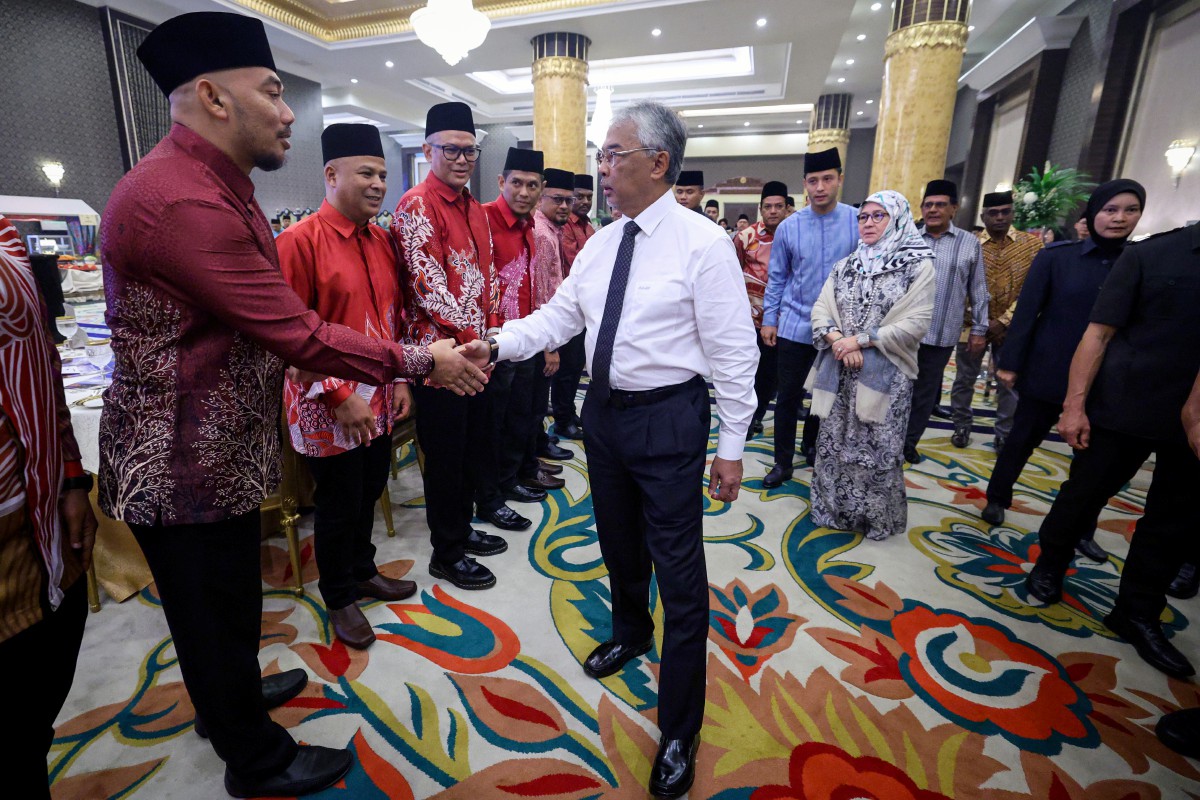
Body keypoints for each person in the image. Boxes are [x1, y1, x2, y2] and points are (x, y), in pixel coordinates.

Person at [101, 14, 487, 799]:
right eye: (274, 92)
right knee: (212, 615)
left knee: (234, 606)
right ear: (212, 96)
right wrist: (424, 360)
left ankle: (227, 700)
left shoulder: (216, 186)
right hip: (179, 462)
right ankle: (257, 762)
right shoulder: (178, 202)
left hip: (225, 451)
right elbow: (299, 331)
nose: (287, 111)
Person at [466, 101, 757, 799]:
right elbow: (561, 315)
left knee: (680, 577)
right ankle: (630, 629)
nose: (602, 166)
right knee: (618, 542)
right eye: (601, 153)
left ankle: (680, 727)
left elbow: (733, 353)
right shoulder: (600, 242)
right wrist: (499, 342)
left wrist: (734, 445)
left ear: (658, 162)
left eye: (614, 153)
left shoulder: (702, 243)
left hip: (669, 420)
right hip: (604, 416)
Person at [1024, 221, 1200, 681]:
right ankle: (1050, 565)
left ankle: (1138, 611)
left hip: (1194, 423)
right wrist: (1074, 405)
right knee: (1083, 494)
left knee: (1172, 522)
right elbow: (1097, 334)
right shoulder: (1155, 254)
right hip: (1123, 406)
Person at [277, 123, 420, 650]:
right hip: (326, 405)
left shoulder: (380, 239)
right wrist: (339, 395)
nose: (379, 183)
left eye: (383, 174)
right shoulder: (299, 242)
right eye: (367, 173)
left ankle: (363, 570)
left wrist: (401, 377)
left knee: (371, 489)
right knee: (338, 504)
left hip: (379, 399)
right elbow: (290, 337)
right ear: (331, 174)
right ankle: (338, 595)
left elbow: (395, 318)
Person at [983, 180, 1146, 561]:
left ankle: (1083, 528)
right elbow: (1027, 312)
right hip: (1050, 370)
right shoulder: (1058, 257)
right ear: (1093, 214)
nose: (1119, 218)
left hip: (1107, 381)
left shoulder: (1142, 261)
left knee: (1094, 465)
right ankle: (997, 496)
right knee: (1022, 439)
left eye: (1130, 210)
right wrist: (1010, 363)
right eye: (1110, 210)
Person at [0, 214, 96, 800]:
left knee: (38, 686)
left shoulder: (6, 235)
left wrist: (71, 476)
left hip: (41, 513)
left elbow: (44, 361)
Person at [395, 101, 505, 591]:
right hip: (439, 358)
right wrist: (471, 340)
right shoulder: (416, 204)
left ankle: (461, 531)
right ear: (427, 150)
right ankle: (447, 552)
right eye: (451, 150)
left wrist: (492, 336)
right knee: (444, 457)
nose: (462, 159)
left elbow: (488, 279)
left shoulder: (475, 210)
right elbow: (427, 285)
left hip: (476, 354)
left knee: (470, 450)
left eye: (470, 151)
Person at [809, 191, 934, 539]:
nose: (868, 223)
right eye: (863, 217)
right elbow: (821, 308)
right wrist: (837, 339)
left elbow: (917, 322)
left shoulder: (917, 265)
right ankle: (833, 511)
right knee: (835, 443)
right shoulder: (847, 265)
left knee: (877, 446)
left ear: (897, 219)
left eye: (878, 216)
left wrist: (861, 340)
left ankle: (873, 517)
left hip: (888, 375)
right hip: (840, 369)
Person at [760, 147, 859, 487]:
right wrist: (769, 319)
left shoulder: (855, 222)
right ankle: (782, 462)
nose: (820, 187)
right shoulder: (790, 227)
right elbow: (778, 278)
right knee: (787, 397)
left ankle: (813, 447)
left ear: (839, 180)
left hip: (838, 329)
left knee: (826, 394)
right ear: (804, 184)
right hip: (794, 325)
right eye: (813, 181)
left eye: (827, 179)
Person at [476, 147, 558, 536]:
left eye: (532, 185)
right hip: (493, 342)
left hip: (523, 338)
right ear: (501, 182)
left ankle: (507, 483)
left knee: (519, 418)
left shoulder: (531, 228)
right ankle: (489, 498)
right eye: (516, 183)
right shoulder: (483, 220)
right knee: (491, 426)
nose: (523, 192)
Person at [902, 180, 987, 464]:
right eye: (928, 205)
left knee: (925, 393)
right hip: (904, 333)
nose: (933, 210)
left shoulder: (969, 243)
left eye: (940, 205)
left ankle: (909, 442)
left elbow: (978, 289)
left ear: (954, 208)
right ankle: (889, 439)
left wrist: (979, 329)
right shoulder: (908, 238)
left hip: (941, 333)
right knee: (897, 390)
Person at [949, 191, 1042, 450]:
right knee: (964, 378)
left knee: (1008, 382)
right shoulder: (969, 243)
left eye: (1005, 212)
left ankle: (1003, 433)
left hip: (1013, 328)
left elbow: (1033, 290)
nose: (1000, 217)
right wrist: (982, 323)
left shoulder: (1031, 246)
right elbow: (960, 287)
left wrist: (1003, 321)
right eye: (993, 212)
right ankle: (961, 426)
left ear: (1013, 213)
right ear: (983, 216)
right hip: (970, 326)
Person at [736, 180, 788, 438]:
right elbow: (733, 272)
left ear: (787, 208)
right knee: (745, 369)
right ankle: (741, 417)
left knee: (769, 374)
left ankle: (756, 416)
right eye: (768, 206)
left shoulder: (794, 234)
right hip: (747, 319)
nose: (773, 211)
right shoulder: (746, 237)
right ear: (760, 208)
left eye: (779, 206)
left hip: (779, 321)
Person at [551, 173, 596, 442]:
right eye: (579, 196)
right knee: (565, 370)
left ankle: (569, 412)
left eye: (589, 197)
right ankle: (562, 419)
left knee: (576, 365)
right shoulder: (565, 225)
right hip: (568, 305)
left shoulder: (588, 226)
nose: (584, 202)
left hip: (584, 308)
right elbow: (577, 261)